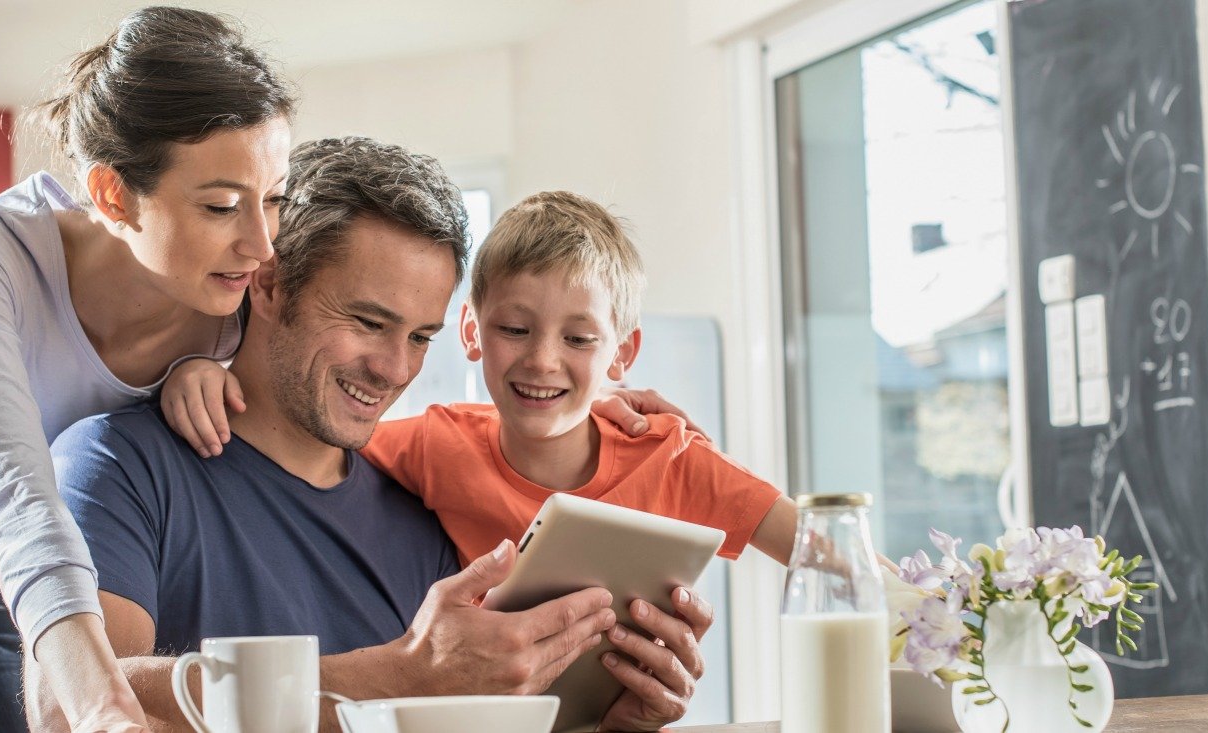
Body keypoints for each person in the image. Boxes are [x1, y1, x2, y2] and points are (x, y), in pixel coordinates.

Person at [48, 137, 713, 732]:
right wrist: (397, 677)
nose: (395, 368)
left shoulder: (424, 517)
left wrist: (613, 724)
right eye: (368, 322)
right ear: (271, 284)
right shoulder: (118, 466)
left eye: (420, 336)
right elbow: (71, 711)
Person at [0, 7, 294, 731]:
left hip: (111, 566)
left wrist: (205, 366)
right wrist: (106, 708)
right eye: (224, 206)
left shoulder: (235, 298)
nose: (260, 244)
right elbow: (16, 500)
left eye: (273, 200)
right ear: (112, 195)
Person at [359, 191, 800, 568]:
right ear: (471, 331)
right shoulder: (436, 445)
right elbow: (310, 447)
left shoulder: (668, 457)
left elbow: (833, 558)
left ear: (622, 353)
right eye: (515, 329)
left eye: (579, 339)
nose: (543, 361)